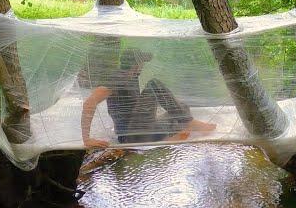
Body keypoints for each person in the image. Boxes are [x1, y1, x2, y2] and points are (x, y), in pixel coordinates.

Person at [81, 48, 216, 148]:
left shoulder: (131, 78)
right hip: (131, 136)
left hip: (143, 130)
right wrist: (86, 140)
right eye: (142, 63)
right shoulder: (118, 77)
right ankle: (185, 125)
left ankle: (171, 134)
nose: (143, 66)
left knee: (182, 108)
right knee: (154, 84)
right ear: (137, 64)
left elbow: (137, 108)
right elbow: (89, 103)